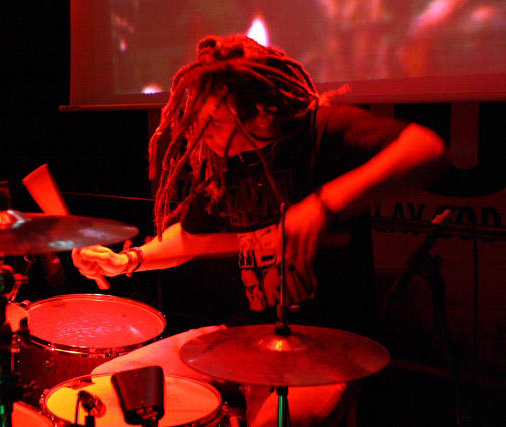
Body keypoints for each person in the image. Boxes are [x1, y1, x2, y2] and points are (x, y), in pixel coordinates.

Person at [72, 34, 446, 426]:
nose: (202, 133)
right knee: (111, 382)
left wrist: (322, 205)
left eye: (215, 123)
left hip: (328, 345)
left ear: (263, 115)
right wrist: (127, 260)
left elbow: (427, 148)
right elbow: (190, 237)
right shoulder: (227, 163)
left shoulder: (320, 130)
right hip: (246, 336)